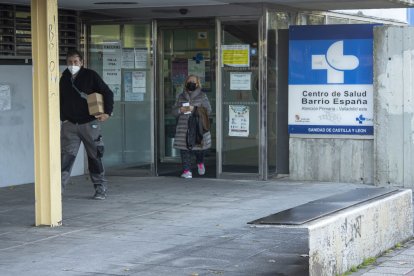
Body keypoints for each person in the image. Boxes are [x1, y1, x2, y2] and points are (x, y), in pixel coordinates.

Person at [60, 49, 114, 200]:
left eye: (76, 62)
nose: (73, 65)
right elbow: (59, 99)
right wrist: (63, 118)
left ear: (82, 62)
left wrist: (107, 112)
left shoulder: (91, 75)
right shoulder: (63, 78)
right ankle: (57, 192)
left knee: (95, 156)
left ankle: (100, 189)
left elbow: (107, 92)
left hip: (90, 123)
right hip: (69, 124)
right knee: (65, 158)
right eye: (70, 62)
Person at [172, 75, 212, 179]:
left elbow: (208, 110)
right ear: (186, 83)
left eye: (193, 81)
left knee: (199, 148)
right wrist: (179, 110)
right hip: (183, 127)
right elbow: (173, 111)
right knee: (184, 149)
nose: (191, 83)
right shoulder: (180, 96)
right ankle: (187, 171)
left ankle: (200, 162)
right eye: (189, 81)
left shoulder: (202, 96)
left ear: (198, 84)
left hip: (197, 126)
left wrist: (194, 109)